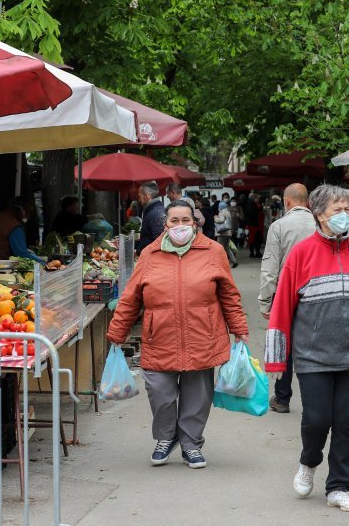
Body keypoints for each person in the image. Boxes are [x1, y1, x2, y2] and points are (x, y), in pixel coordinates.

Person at [264, 185, 349, 512]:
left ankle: (338, 487)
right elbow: (282, 309)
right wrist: (277, 361)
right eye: (337, 211)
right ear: (319, 214)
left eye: (347, 210)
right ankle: (309, 462)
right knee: (318, 419)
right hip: (313, 356)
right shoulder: (301, 254)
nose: (344, 216)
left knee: (348, 421)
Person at [106, 199, 248, 469]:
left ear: (195, 223)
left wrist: (239, 328)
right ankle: (166, 437)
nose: (181, 226)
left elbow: (229, 294)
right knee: (159, 392)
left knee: (198, 395)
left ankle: (191, 444)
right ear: (165, 224)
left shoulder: (213, 251)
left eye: (186, 220)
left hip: (202, 335)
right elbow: (131, 297)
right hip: (159, 336)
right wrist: (117, 331)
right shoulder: (149, 253)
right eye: (175, 221)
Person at [258, 183, 316, 414]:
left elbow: (270, 267)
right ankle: (314, 397)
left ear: (287, 201)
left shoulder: (279, 226)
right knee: (314, 345)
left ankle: (282, 398)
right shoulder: (321, 223)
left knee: (286, 345)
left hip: (287, 293)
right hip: (319, 293)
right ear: (308, 201)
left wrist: (266, 300)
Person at [137, 181, 166, 254]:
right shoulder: (153, 210)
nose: (139, 200)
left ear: (146, 196)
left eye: (139, 196)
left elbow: (159, 242)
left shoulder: (156, 213)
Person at [214, 200, 238, 268]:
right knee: (227, 248)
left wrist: (216, 218)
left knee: (218, 248)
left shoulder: (222, 212)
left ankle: (218, 263)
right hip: (228, 232)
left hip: (222, 233)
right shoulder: (228, 212)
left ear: (220, 207)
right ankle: (234, 261)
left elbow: (221, 220)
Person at [246, 193, 264, 258]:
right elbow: (252, 213)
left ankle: (256, 251)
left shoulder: (256, 204)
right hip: (253, 225)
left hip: (257, 225)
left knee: (257, 239)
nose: (259, 200)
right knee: (252, 239)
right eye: (258, 199)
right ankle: (252, 252)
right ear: (254, 198)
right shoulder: (251, 204)